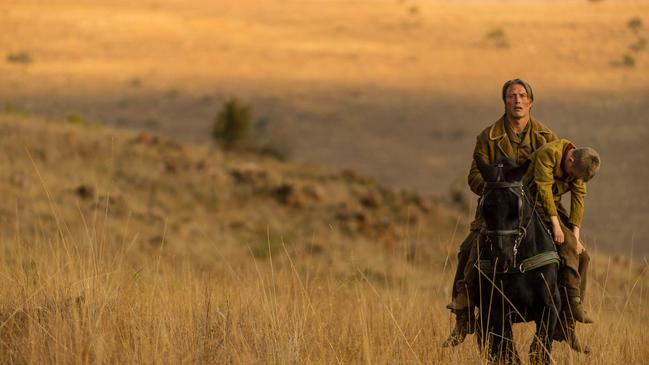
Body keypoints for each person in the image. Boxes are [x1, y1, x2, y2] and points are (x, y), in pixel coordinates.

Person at [442, 79, 557, 347]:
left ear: (531, 101)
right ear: (504, 101)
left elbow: (556, 172)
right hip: (497, 212)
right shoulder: (487, 137)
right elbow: (473, 175)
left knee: (574, 252)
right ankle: (464, 315)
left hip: (537, 208)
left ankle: (569, 315)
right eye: (511, 96)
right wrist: (495, 189)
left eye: (522, 95)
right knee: (466, 250)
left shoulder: (547, 137)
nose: (517, 100)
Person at [522, 139, 600, 353]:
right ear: (570, 158)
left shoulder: (578, 165)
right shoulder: (550, 154)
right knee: (565, 245)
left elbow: (579, 198)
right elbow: (544, 190)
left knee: (583, 256)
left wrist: (575, 235)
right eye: (573, 175)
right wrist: (557, 226)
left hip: (553, 205)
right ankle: (573, 305)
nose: (574, 179)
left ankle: (568, 322)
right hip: (530, 200)